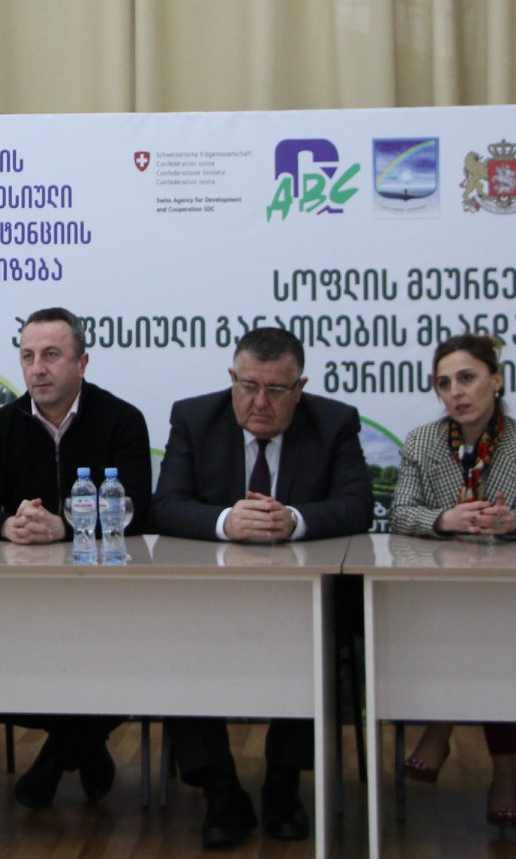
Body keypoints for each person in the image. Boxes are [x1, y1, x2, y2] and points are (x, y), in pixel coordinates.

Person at [154, 327, 373, 847]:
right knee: (172, 637)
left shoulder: (334, 422)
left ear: (300, 388)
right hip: (211, 598)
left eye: (275, 390)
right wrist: (226, 521)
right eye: (248, 386)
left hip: (300, 599)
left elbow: (358, 505)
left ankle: (283, 782)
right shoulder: (194, 418)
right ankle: (220, 788)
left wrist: (295, 519)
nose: (259, 402)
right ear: (232, 378)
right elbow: (165, 506)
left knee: (321, 632)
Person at [0, 307, 153, 808]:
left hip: (111, 601)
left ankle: (55, 757)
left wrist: (65, 529)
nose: (37, 369)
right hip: (23, 601)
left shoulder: (122, 420)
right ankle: (85, 746)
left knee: (125, 661)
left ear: (82, 362)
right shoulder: (1, 425)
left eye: (51, 355)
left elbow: (140, 510)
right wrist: (10, 525)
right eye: (27, 357)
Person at [388, 334, 516, 830]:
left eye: (467, 378)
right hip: (440, 588)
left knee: (490, 633)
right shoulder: (423, 441)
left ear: (496, 380)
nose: (455, 392)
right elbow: (400, 511)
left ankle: (452, 736)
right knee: (467, 627)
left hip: (510, 590)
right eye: (443, 384)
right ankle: (492, 763)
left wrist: (512, 522)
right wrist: (445, 520)